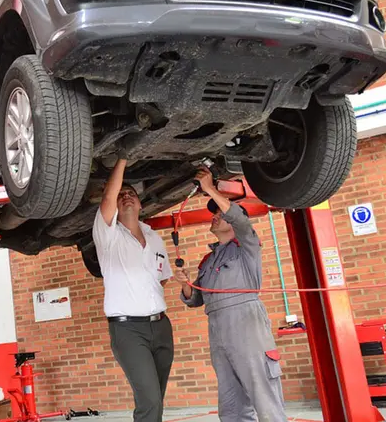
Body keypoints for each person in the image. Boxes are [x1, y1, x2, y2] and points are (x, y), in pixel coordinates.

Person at [174, 167, 287, 422]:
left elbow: (241, 221)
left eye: (219, 214)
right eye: (213, 213)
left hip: (246, 323)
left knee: (263, 396)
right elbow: (197, 299)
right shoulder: (208, 260)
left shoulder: (247, 246)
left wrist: (211, 189)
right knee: (231, 403)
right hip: (218, 330)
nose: (214, 217)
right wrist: (185, 285)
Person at [92, 155, 175, 422]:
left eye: (131, 194)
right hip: (128, 330)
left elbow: (161, 278)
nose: (126, 197)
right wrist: (124, 158)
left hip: (161, 327)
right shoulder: (108, 236)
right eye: (122, 195)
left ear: (140, 203)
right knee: (149, 399)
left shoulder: (154, 238)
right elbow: (107, 198)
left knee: (156, 400)